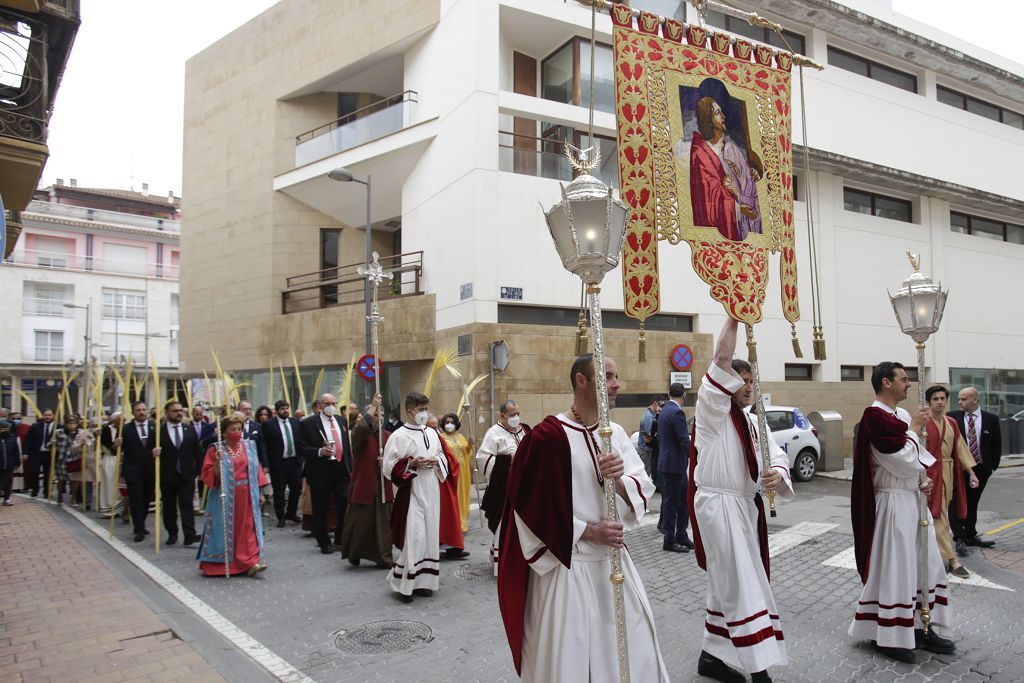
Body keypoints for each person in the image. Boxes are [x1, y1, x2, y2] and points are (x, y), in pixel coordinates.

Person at [497, 353, 668, 682]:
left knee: (633, 653)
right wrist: (586, 530)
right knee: (571, 661)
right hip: (569, 568)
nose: (617, 384)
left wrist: (618, 480)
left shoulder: (615, 433)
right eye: (608, 377)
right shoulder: (547, 437)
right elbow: (528, 507)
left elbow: (644, 489)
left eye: (617, 377)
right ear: (581, 381)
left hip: (614, 564)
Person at [687, 318, 792, 682]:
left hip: (746, 508)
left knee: (726, 584)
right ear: (727, 385)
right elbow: (721, 356)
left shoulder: (752, 421)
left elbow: (776, 454)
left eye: (750, 381)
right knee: (744, 583)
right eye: (741, 381)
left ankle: (711, 656)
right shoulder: (712, 413)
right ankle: (758, 668)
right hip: (719, 507)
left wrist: (778, 472)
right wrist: (734, 314)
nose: (747, 387)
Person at [850, 362, 954, 663]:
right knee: (896, 569)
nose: (908, 384)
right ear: (886, 383)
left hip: (911, 501)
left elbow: (915, 463)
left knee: (925, 565)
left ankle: (922, 625)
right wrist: (915, 431)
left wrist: (923, 480)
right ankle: (888, 635)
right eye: (903, 379)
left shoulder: (903, 416)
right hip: (891, 505)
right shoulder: (874, 418)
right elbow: (899, 461)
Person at [383, 391, 449, 603]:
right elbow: (388, 467)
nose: (424, 413)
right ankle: (405, 585)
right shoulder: (398, 436)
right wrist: (411, 463)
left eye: (426, 409)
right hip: (412, 490)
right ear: (410, 411)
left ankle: (425, 582)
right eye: (421, 410)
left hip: (431, 487)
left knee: (429, 536)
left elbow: (441, 454)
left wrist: (436, 461)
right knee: (415, 536)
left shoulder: (431, 433)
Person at [196, 412, 269, 576]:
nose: (237, 432)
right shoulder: (216, 449)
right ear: (224, 432)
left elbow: (255, 468)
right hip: (225, 496)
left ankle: (250, 562)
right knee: (226, 529)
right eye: (232, 429)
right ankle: (222, 565)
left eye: (239, 429)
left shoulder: (249, 446)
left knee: (248, 528)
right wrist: (217, 462)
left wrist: (261, 492)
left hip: (248, 494)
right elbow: (208, 476)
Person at [924, 386, 979, 578]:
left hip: (948, 473)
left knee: (942, 516)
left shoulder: (951, 423)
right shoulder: (923, 422)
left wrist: (971, 473)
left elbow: (961, 448)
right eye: (935, 399)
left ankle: (937, 557)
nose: (939, 402)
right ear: (929, 402)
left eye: (942, 398)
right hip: (929, 475)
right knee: (939, 517)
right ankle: (952, 559)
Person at [689, 95, 762, 241]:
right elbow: (707, 198)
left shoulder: (732, 149)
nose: (723, 116)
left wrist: (752, 175)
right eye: (717, 113)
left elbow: (745, 181)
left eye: (721, 112)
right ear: (707, 119)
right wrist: (737, 209)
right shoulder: (701, 153)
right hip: (716, 237)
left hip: (741, 227)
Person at [340, 394, 393, 567]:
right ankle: (354, 552)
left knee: (383, 524)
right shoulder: (360, 434)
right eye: (377, 415)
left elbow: (397, 458)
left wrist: (386, 462)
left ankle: (383, 557)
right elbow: (362, 429)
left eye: (382, 416)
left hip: (383, 486)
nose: (380, 419)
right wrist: (372, 407)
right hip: (364, 484)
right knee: (361, 522)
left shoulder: (388, 436)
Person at [297, 393, 352, 554]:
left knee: (345, 503)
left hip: (341, 468)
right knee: (320, 507)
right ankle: (323, 541)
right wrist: (320, 451)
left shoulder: (342, 420)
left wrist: (350, 467)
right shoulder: (308, 423)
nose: (331, 406)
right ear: (320, 404)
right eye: (327, 403)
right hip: (320, 470)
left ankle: (340, 538)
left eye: (334, 403)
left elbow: (346, 446)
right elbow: (301, 448)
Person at [948, 386, 1001, 551]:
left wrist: (990, 468)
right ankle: (959, 537)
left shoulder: (991, 419)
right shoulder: (952, 418)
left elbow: (996, 445)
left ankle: (970, 534)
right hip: (959, 468)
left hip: (980, 469)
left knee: (972, 502)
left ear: (975, 400)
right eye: (959, 399)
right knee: (956, 502)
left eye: (963, 399)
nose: (960, 402)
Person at [478, 399, 529, 574]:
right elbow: (483, 458)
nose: (516, 417)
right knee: (503, 523)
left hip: (524, 486)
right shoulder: (493, 433)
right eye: (513, 414)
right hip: (504, 488)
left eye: (518, 413)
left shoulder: (525, 430)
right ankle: (503, 563)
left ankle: (521, 559)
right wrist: (508, 460)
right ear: (503, 415)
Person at [150, 400, 202, 547]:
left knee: (187, 504)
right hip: (167, 475)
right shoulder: (158, 432)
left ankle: (189, 534)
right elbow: (148, 453)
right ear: (167, 413)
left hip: (186, 474)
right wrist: (153, 453)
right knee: (169, 506)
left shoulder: (189, 429)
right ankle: (172, 533)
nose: (179, 413)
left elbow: (197, 452)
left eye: (181, 411)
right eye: (175, 411)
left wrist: (200, 470)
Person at [658, 383, 692, 553]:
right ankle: (669, 540)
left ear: (669, 393)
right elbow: (684, 439)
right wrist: (697, 456)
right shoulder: (677, 412)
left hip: (670, 464)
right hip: (674, 465)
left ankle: (681, 535)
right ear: (684, 395)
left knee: (682, 502)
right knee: (673, 504)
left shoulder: (665, 409)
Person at [262, 400, 303, 528]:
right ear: (277, 410)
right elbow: (263, 445)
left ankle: (291, 513)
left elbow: (301, 440)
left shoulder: (295, 422)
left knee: (296, 488)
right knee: (279, 491)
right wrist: (266, 463)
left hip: (294, 461)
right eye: (282, 409)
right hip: (278, 463)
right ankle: (281, 517)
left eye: (286, 408)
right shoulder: (269, 424)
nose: (285, 411)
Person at [119, 401, 155, 542]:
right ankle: (139, 528)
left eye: (144, 409)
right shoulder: (126, 429)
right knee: (136, 499)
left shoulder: (154, 427)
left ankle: (141, 523)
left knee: (146, 499)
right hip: (133, 469)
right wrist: (117, 444)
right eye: (138, 410)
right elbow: (115, 446)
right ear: (133, 412)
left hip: (149, 470)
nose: (141, 412)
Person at [439, 413, 473, 533]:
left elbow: (467, 452)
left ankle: (461, 521)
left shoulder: (460, 437)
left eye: (452, 422)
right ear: (443, 424)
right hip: (450, 471)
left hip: (462, 472)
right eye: (447, 422)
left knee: (462, 495)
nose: (449, 425)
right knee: (453, 496)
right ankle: (452, 523)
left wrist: (469, 445)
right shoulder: (441, 437)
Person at [24, 409, 55, 497]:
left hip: (50, 454)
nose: (47, 417)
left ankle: (47, 491)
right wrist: (25, 452)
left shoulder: (58, 427)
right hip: (36, 453)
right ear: (43, 416)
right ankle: (35, 489)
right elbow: (28, 440)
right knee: (34, 471)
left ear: (53, 416)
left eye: (49, 415)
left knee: (48, 474)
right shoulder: (35, 426)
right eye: (46, 415)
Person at [98, 412, 124, 518]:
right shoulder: (106, 430)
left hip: (120, 459)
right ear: (115, 420)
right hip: (109, 460)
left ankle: (119, 508)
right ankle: (109, 508)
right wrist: (115, 445)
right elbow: (107, 446)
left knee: (119, 485)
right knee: (109, 484)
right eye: (120, 419)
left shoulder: (123, 430)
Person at [637, 395, 661, 478]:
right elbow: (650, 435)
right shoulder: (649, 417)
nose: (660, 408)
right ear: (655, 403)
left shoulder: (648, 414)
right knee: (645, 475)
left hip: (645, 450)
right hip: (646, 450)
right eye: (659, 405)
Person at [0, 417, 19, 505]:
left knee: (8, 482)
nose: (4, 430)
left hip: (9, 465)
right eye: (2, 428)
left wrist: (17, 463)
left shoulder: (12, 438)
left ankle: (7, 499)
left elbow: (16, 451)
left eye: (6, 428)